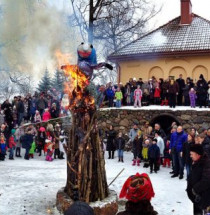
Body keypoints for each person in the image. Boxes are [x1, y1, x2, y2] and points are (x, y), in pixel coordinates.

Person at [186, 144, 210, 215]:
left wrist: (194, 189)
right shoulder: (196, 161)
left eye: (191, 154)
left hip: (205, 198)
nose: (190, 156)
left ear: (197, 154)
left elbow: (207, 180)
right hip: (197, 197)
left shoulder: (207, 163)